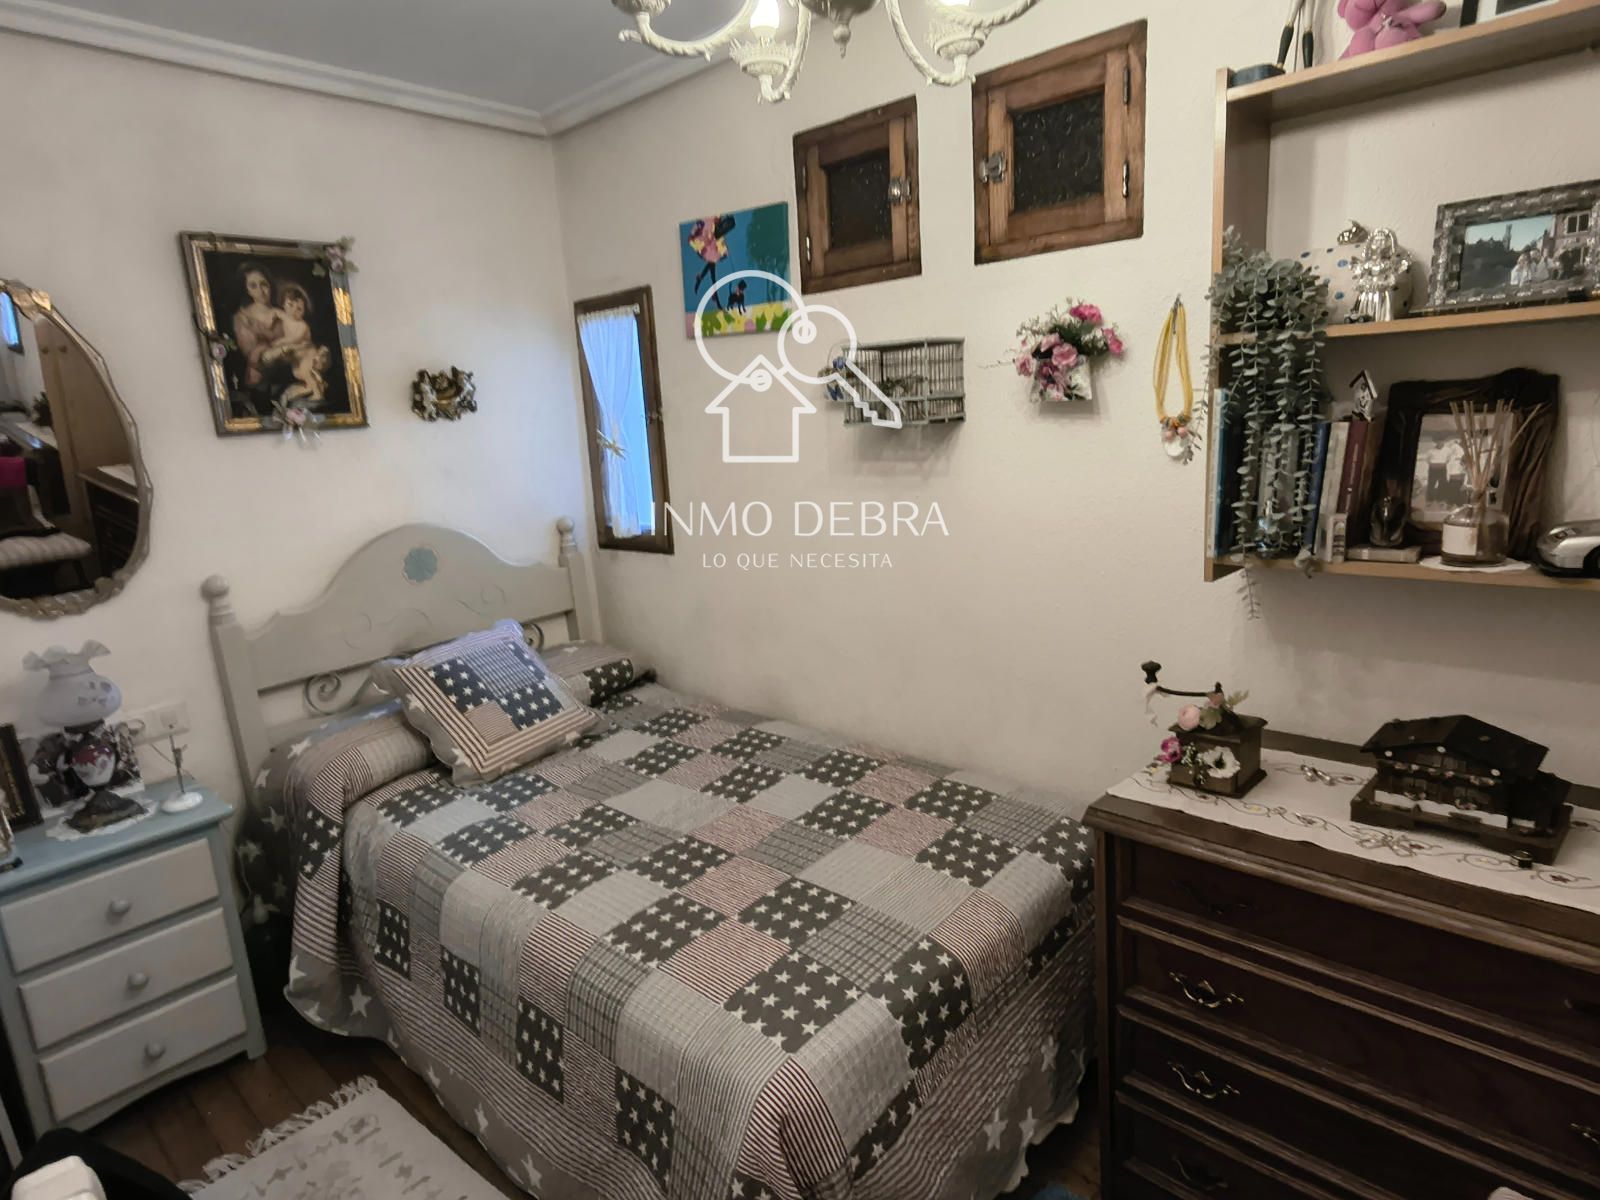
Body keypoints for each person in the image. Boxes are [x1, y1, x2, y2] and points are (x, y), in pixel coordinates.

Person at [229, 262, 284, 415]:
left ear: (270, 285)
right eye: (253, 286)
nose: (261, 291)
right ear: (247, 290)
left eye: (264, 284)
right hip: (260, 382)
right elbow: (251, 353)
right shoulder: (243, 318)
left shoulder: (284, 313)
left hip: (285, 376)